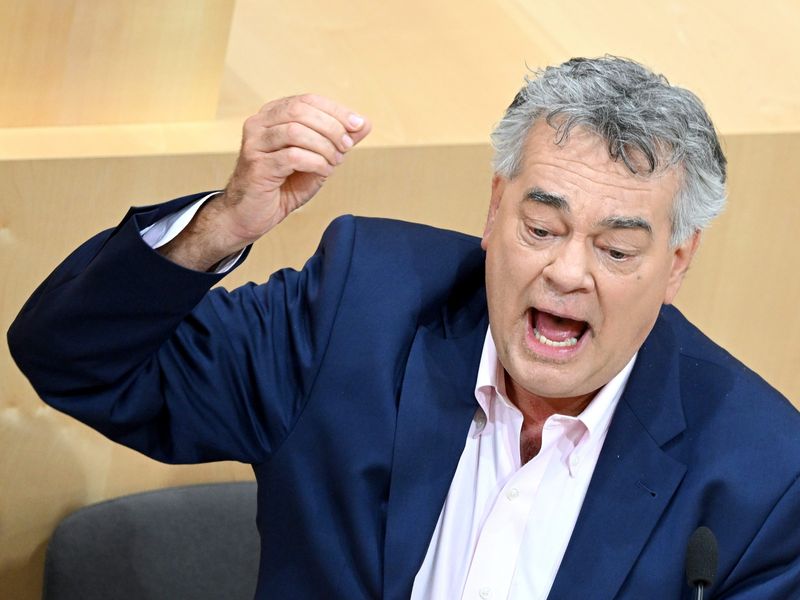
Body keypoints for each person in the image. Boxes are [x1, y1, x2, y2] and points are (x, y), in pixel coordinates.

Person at [8, 57, 800, 599]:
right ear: (495, 209)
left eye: (616, 249)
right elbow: (76, 360)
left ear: (677, 262)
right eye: (541, 228)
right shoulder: (359, 314)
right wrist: (222, 222)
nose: (567, 272)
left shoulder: (759, 477)